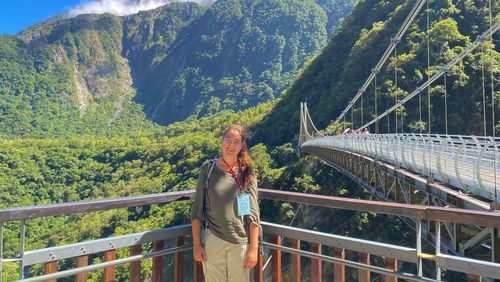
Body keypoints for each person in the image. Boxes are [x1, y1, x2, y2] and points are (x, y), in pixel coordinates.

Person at [191, 124, 260, 282]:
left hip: (240, 242)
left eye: (236, 141)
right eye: (228, 139)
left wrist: (253, 249)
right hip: (213, 241)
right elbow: (196, 211)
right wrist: (197, 245)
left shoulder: (247, 173)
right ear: (221, 141)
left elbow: (253, 215)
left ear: (242, 145)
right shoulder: (207, 170)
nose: (231, 145)